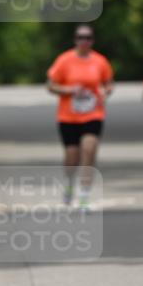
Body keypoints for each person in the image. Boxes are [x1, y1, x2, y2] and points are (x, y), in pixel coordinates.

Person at [47, 25, 113, 208]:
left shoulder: (100, 61)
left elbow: (108, 83)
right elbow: (51, 85)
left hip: (93, 114)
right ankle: (69, 185)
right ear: (75, 39)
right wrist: (69, 90)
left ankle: (84, 195)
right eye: (80, 37)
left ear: (92, 40)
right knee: (72, 157)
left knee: (89, 150)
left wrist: (105, 92)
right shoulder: (64, 60)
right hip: (68, 117)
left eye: (88, 37)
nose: (84, 41)